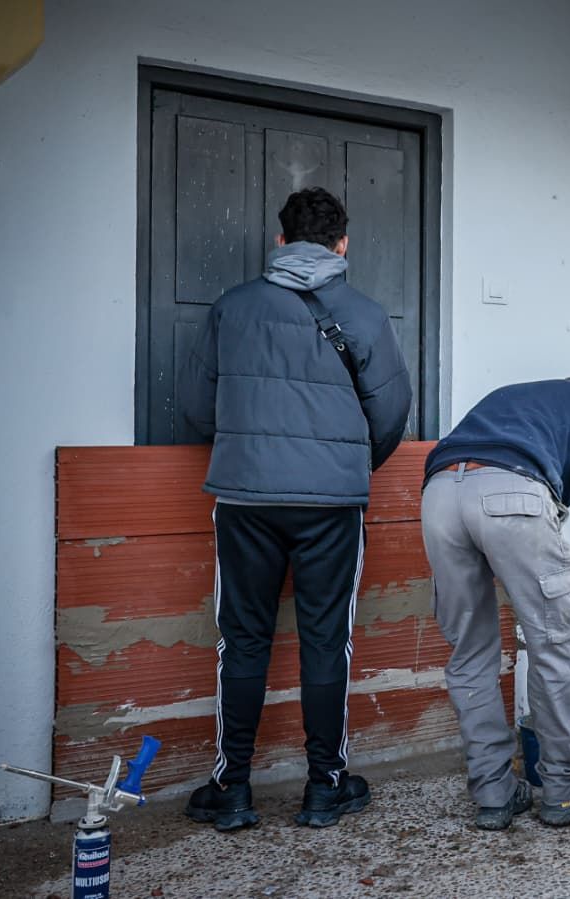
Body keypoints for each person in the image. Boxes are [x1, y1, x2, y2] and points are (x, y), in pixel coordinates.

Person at [176, 187, 413, 830]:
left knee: (243, 638)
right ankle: (325, 787)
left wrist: (250, 449)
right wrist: (343, 463)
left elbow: (196, 406)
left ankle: (232, 788)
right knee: (326, 639)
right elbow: (391, 414)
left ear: (280, 241)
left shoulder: (231, 308)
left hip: (245, 498)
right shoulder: (366, 315)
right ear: (343, 245)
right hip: (331, 504)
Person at [421, 377, 570, 830]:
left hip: (439, 496)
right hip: (511, 493)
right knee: (552, 647)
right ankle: (567, 788)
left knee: (469, 652)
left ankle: (493, 794)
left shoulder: (514, 400)